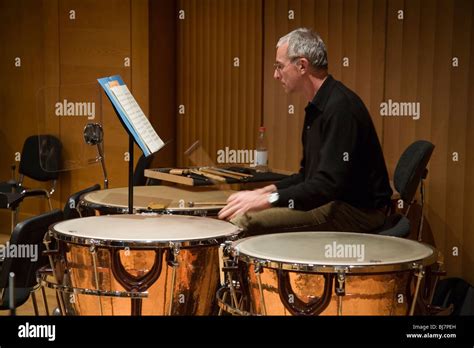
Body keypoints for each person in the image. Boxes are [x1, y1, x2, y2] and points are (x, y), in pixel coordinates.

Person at [218, 28, 392, 236]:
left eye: (279, 66)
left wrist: (266, 201)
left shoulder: (340, 108)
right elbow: (307, 176)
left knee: (243, 222)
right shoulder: (318, 107)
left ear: (302, 66)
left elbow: (327, 186)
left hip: (358, 212)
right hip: (333, 202)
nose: (275, 75)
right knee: (241, 214)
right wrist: (266, 191)